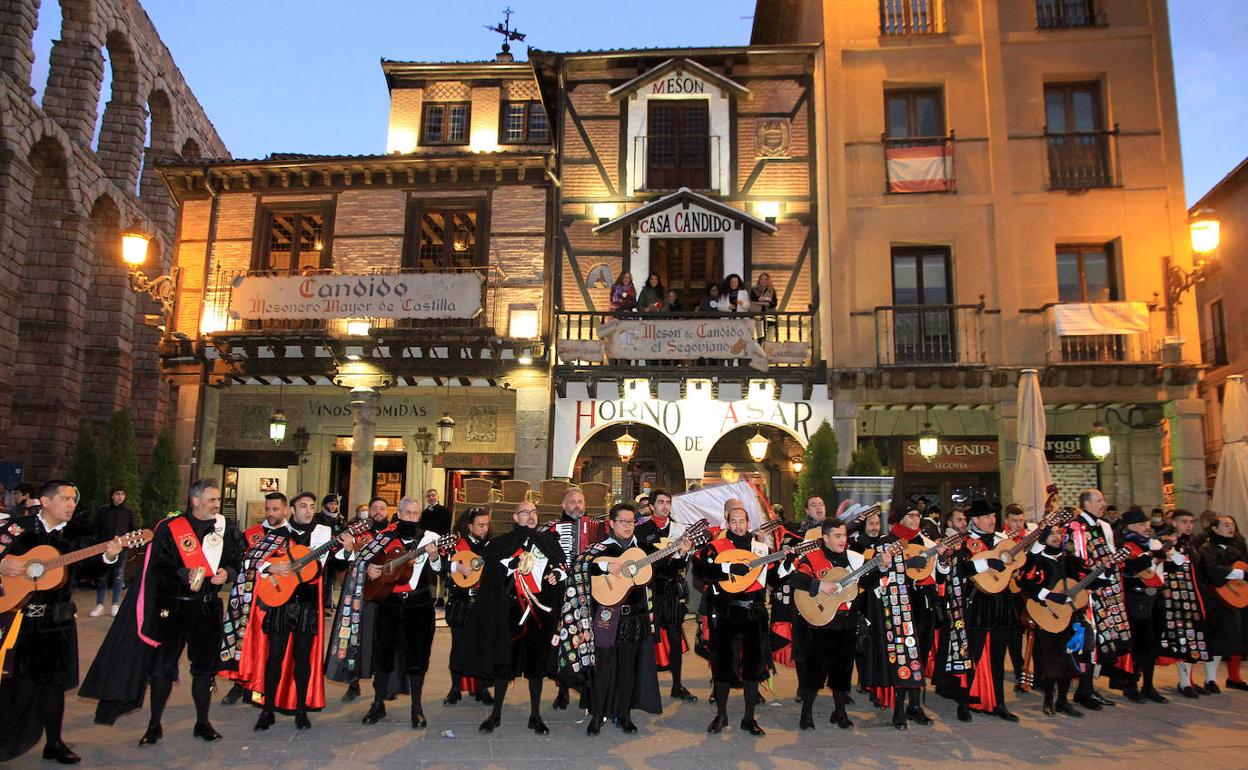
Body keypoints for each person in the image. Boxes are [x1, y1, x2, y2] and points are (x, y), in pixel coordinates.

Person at [81, 478, 244, 746]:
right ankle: (154, 725)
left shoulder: (226, 528)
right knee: (162, 668)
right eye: (212, 499)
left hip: (207, 607)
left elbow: (237, 558)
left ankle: (203, 722)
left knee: (204, 669)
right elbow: (157, 564)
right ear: (195, 500)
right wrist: (183, 573)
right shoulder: (171, 528)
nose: (217, 504)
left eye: (217, 499)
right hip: (173, 606)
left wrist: (227, 572)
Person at [0, 480, 125, 764]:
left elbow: (88, 569)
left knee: (53, 684)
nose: (72, 504)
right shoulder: (17, 527)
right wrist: (1, 564)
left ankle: (54, 743)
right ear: (45, 502)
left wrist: (108, 556)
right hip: (15, 620)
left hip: (56, 623)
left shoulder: (79, 535)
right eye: (66, 499)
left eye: (74, 500)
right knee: (10, 681)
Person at [249, 492, 356, 731]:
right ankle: (267, 710)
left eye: (311, 506)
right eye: (303, 506)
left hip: (307, 603)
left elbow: (339, 562)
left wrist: (348, 549)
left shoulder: (323, 533)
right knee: (274, 657)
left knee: (302, 658)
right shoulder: (278, 533)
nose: (308, 510)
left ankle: (301, 708)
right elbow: (251, 560)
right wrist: (272, 568)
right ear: (292, 510)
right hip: (280, 602)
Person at [456, 500, 565, 735]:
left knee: (536, 666)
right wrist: (510, 565)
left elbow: (562, 565)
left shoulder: (548, 541)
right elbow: (490, 569)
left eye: (534, 511)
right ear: (515, 517)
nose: (531, 516)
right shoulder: (502, 543)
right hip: (511, 612)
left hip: (540, 613)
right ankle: (495, 714)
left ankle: (535, 715)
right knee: (504, 665)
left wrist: (557, 573)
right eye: (525, 512)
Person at [692, 499, 791, 736]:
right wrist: (727, 569)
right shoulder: (715, 547)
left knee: (754, 666)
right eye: (733, 521)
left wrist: (787, 564)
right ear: (727, 522)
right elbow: (700, 571)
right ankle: (721, 715)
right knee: (723, 665)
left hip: (755, 614)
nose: (738, 525)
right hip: (727, 613)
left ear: (748, 522)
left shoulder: (761, 550)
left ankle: (749, 718)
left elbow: (775, 579)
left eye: (742, 521)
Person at [571, 503, 665, 735]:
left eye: (631, 521)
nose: (628, 526)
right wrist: (605, 566)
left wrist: (681, 553)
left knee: (628, 670)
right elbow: (579, 566)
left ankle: (624, 715)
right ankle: (597, 715)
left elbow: (665, 570)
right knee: (603, 669)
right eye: (623, 521)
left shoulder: (642, 549)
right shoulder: (600, 548)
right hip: (607, 619)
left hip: (635, 619)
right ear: (611, 523)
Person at [360, 495, 444, 729]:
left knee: (418, 657)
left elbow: (439, 570)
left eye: (416, 513)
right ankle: (378, 703)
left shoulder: (430, 538)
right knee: (384, 655)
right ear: (398, 513)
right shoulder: (384, 537)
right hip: (389, 604)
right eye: (407, 513)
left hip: (419, 605)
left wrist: (434, 556)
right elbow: (363, 560)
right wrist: (370, 568)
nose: (411, 517)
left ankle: (417, 708)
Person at [937, 500, 1020, 722]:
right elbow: (960, 569)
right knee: (971, 655)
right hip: (977, 605)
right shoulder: (965, 542)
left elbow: (1019, 564)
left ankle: (999, 703)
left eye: (993, 516)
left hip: (1002, 603)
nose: (992, 520)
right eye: (987, 517)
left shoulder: (1003, 541)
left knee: (998, 657)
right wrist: (987, 564)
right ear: (975, 519)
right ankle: (964, 703)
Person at [858, 507, 940, 730]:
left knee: (919, 657)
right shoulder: (884, 543)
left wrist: (943, 560)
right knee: (900, 658)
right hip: (896, 609)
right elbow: (868, 578)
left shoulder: (925, 542)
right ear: (899, 520)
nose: (916, 519)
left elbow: (939, 576)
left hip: (923, 607)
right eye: (910, 515)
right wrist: (903, 565)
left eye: (917, 515)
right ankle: (898, 710)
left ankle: (915, 705)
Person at [326, 497, 407, 704]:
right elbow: (338, 557)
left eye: (382, 508)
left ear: (388, 511)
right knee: (355, 636)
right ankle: (353, 683)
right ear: (369, 511)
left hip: (385, 593)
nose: (378, 511)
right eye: (374, 508)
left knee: (384, 638)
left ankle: (384, 684)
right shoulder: (357, 531)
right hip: (358, 592)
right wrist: (350, 550)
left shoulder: (394, 533)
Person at [1016, 523, 1098, 717]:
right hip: (1047, 616)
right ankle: (1048, 700)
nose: (1056, 536)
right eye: (1051, 533)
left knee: (1069, 659)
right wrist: (1051, 596)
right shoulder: (1038, 561)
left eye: (1058, 533)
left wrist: (1106, 570)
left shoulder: (1069, 561)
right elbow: (1025, 582)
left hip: (1069, 616)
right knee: (1051, 661)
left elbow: (1088, 579)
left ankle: (1062, 701)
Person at [790, 519, 864, 730]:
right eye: (837, 536)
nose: (843, 540)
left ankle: (840, 713)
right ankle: (806, 713)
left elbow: (867, 582)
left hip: (847, 622)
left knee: (843, 672)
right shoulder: (812, 558)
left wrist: (882, 566)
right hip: (822, 623)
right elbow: (796, 580)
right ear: (825, 537)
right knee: (815, 672)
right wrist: (819, 585)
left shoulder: (854, 559)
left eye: (844, 535)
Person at [539, 485, 607, 710]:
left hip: (591, 592)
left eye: (580, 502)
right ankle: (563, 689)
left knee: (589, 640)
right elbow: (544, 558)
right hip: (564, 593)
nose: (577, 506)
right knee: (564, 639)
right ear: (563, 505)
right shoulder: (552, 529)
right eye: (572, 502)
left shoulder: (599, 528)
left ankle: (588, 690)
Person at [1067, 488, 1133, 710]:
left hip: (1105, 590)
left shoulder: (1104, 526)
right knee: (1089, 640)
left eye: (1103, 500)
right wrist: (1091, 577)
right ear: (1086, 504)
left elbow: (1110, 554)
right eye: (1098, 500)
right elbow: (1075, 561)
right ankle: (1083, 690)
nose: (1103, 504)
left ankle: (1088, 688)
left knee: (1101, 641)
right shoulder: (1076, 527)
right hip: (1087, 592)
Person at [635, 489, 697, 702]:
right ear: (651, 506)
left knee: (674, 639)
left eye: (668, 502)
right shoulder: (641, 531)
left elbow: (680, 565)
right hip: (649, 589)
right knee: (645, 640)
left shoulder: (679, 530)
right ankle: (643, 687)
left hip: (670, 590)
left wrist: (682, 553)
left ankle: (677, 685)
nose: (665, 506)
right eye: (660, 502)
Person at [443, 506, 493, 707]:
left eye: (487, 525)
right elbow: (438, 564)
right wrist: (455, 566)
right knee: (459, 647)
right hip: (461, 603)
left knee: (482, 647)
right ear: (469, 526)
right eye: (480, 525)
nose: (485, 528)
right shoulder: (456, 544)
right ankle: (455, 688)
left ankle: (481, 688)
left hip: (483, 603)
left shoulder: (490, 545)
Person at [1118, 507, 1167, 703]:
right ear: (1131, 526)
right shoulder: (1125, 546)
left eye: (1147, 523)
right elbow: (1129, 569)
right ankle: (1131, 685)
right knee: (1137, 644)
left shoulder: (1150, 543)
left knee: (1152, 643)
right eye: (1142, 524)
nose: (1147, 527)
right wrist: (1151, 556)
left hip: (1155, 597)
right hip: (1136, 600)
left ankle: (1148, 685)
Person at [1161, 510, 1212, 697]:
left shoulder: (1189, 544)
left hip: (1192, 595)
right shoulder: (1166, 542)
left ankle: (1189, 680)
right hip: (1176, 599)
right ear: (1173, 523)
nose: (1189, 525)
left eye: (1191, 521)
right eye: (1184, 521)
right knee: (1181, 638)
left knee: (1192, 638)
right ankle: (1184, 683)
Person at [1195, 515, 1248, 695]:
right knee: (1215, 641)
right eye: (1226, 525)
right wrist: (1240, 574)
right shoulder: (1207, 549)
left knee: (1233, 640)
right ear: (1215, 529)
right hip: (1214, 601)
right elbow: (1212, 571)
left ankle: (1233, 678)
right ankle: (1210, 679)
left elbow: (1243, 566)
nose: (1231, 528)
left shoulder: (1233, 549)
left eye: (1232, 524)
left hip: (1232, 601)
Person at [90, 485, 136, 618]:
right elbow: (95, 529)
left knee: (118, 575)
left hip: (121, 549)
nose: (120, 497)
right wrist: (99, 543)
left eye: (122, 494)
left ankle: (115, 604)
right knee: (102, 576)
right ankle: (99, 605)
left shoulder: (128, 512)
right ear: (112, 496)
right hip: (104, 549)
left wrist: (125, 542)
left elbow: (133, 530)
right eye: (117, 494)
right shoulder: (103, 511)